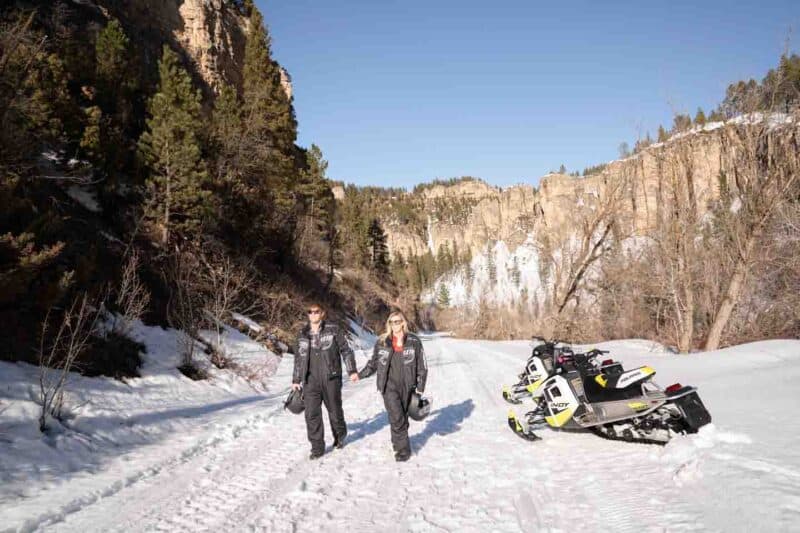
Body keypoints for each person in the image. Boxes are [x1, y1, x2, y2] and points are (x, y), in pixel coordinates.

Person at [292, 302, 359, 459]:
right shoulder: (302, 333)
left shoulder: (333, 329)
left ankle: (340, 435)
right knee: (312, 415)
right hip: (310, 380)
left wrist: (352, 370)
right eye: (310, 311)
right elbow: (298, 358)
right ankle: (317, 448)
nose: (313, 314)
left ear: (322, 313)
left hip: (331, 378)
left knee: (335, 411)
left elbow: (346, 351)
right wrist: (296, 379)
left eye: (316, 311)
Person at [358, 310, 428, 462]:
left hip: (408, 385)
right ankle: (403, 451)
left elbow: (422, 365)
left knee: (403, 417)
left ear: (403, 322)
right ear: (389, 324)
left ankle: (398, 442)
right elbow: (374, 363)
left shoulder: (414, 341)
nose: (395, 324)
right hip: (388, 385)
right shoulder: (382, 342)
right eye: (392, 322)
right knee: (396, 417)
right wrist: (360, 374)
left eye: (397, 321)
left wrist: (420, 386)